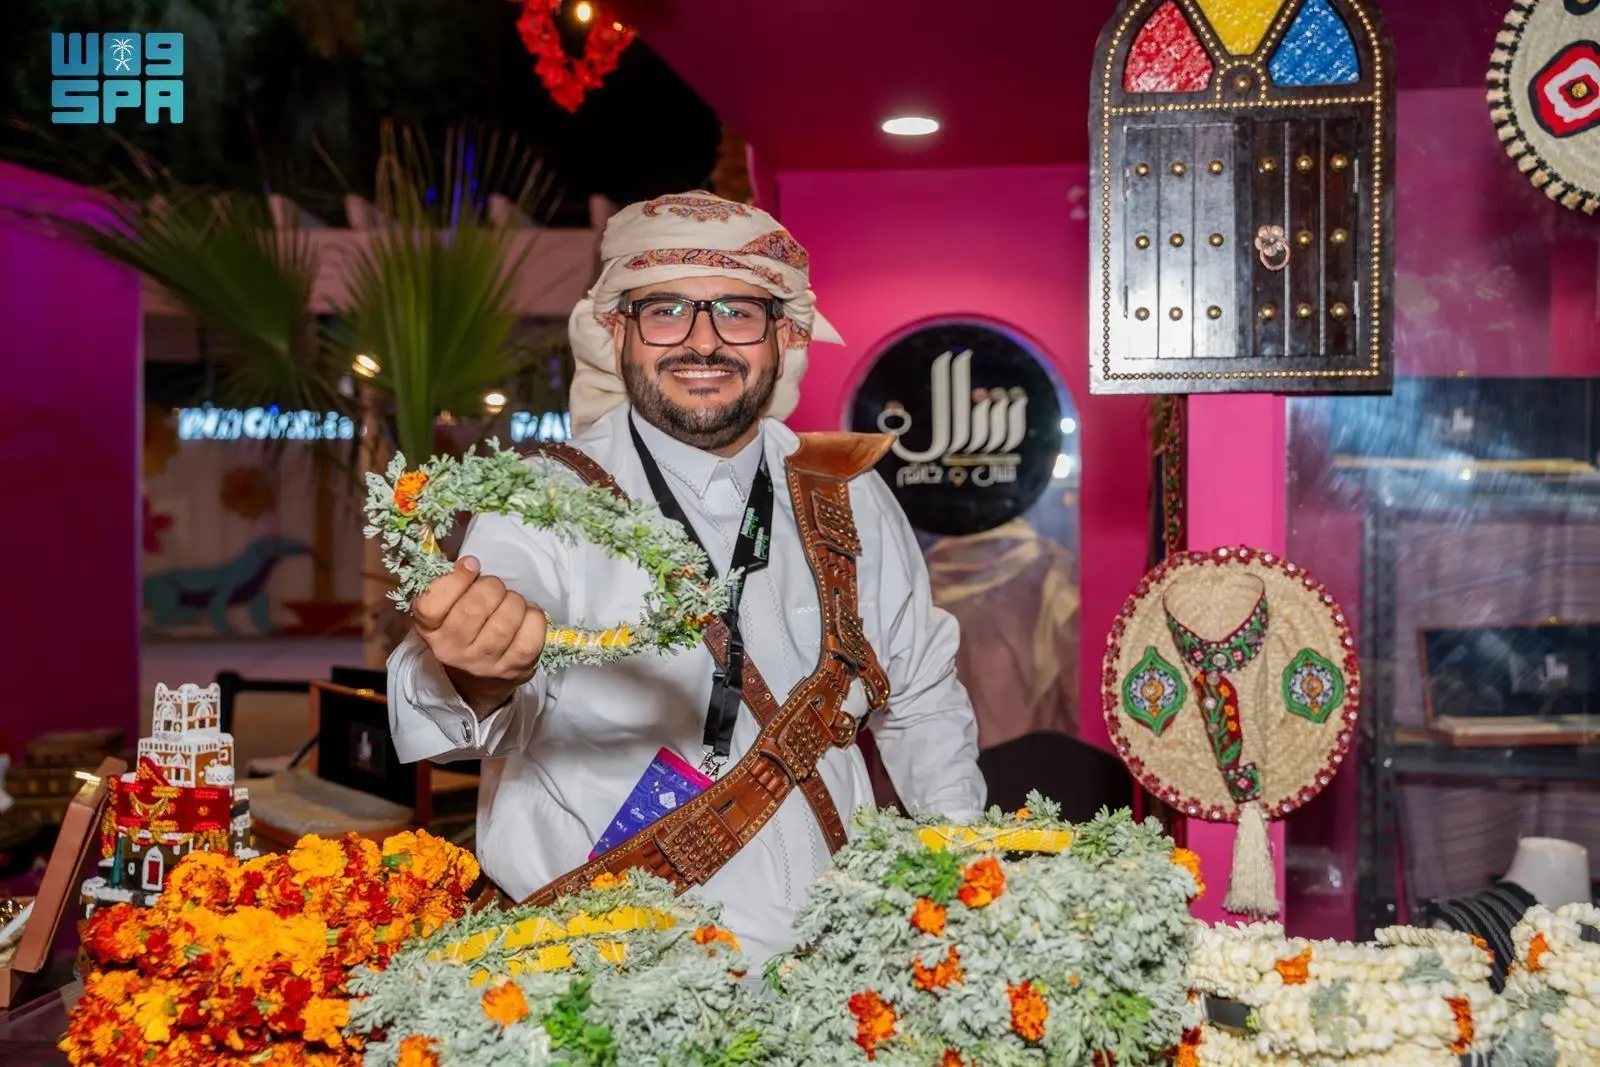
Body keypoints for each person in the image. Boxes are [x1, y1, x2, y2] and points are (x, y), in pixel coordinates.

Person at [387, 190, 985, 963]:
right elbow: (462, 678)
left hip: (831, 979)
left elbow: (922, 700)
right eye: (665, 310)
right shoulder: (541, 498)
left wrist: (970, 876)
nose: (702, 342)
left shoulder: (846, 489)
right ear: (618, 331)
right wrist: (475, 670)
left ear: (783, 334)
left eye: (737, 311)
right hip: (604, 981)